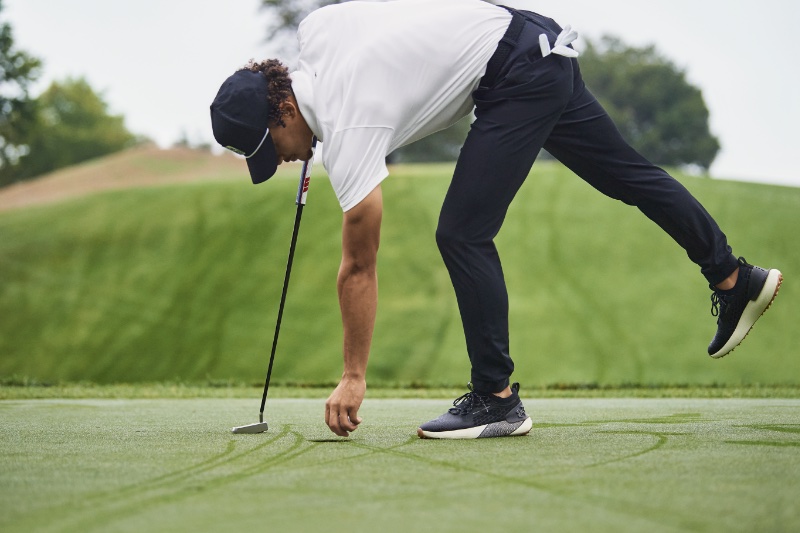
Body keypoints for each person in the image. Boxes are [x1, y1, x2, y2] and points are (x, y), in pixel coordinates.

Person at [210, 0, 782, 440]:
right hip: (537, 42)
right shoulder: (316, 31)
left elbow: (359, 266)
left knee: (461, 232)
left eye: (272, 147)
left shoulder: (349, 121)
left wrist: (353, 376)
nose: (280, 161)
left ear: (285, 109)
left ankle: (496, 399)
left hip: (516, 73)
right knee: (628, 176)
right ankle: (734, 278)